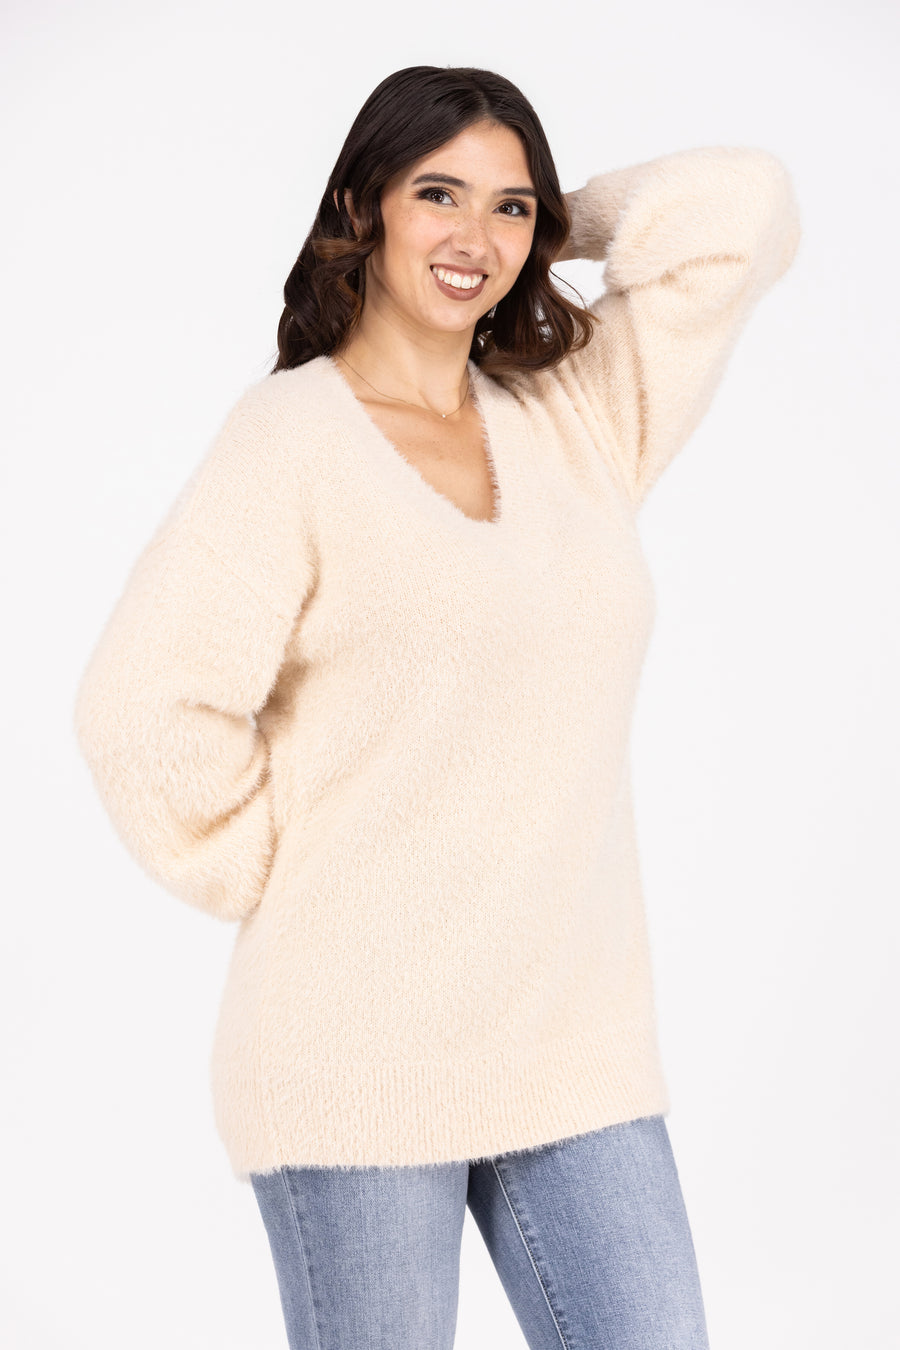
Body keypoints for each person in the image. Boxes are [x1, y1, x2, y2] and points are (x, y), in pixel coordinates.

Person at [73, 64, 801, 1350]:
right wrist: (297, 873)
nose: (475, 234)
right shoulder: (289, 441)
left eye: (508, 206)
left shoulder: (577, 419)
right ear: (365, 206)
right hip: (356, 1053)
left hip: (572, 1046)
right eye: (439, 195)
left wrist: (550, 224)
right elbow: (142, 709)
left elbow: (742, 213)